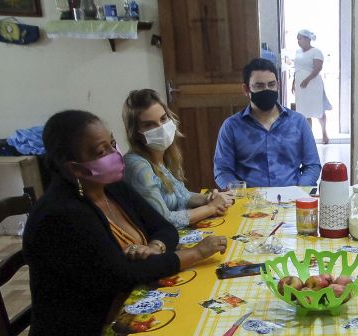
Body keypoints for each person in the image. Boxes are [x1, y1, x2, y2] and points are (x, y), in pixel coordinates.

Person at [23, 110, 228, 336]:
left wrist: (155, 247)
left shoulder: (111, 186)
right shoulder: (61, 215)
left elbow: (163, 225)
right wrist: (195, 253)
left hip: (131, 304)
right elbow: (123, 273)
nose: (114, 154)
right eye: (101, 151)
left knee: (203, 334)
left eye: (112, 144)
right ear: (75, 168)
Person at [122, 89, 234, 229]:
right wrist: (210, 208)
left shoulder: (163, 155)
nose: (161, 128)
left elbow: (183, 196)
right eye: (149, 125)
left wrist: (208, 198)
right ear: (135, 133)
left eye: (163, 119)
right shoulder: (137, 165)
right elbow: (163, 220)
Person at [214, 58, 321, 189]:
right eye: (259, 86)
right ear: (246, 89)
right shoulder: (231, 127)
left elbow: (312, 165)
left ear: (278, 85)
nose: (267, 90)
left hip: (292, 201)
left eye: (271, 85)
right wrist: (240, 195)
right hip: (249, 203)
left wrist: (299, 191)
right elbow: (223, 171)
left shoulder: (298, 122)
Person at [293, 29, 332, 144]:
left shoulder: (316, 52)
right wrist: (294, 82)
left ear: (307, 39)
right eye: (297, 39)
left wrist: (307, 80)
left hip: (313, 84)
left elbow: (317, 68)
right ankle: (308, 136)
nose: (298, 41)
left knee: (318, 109)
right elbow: (297, 69)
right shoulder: (298, 52)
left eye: (300, 38)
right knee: (305, 112)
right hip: (301, 86)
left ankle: (324, 133)